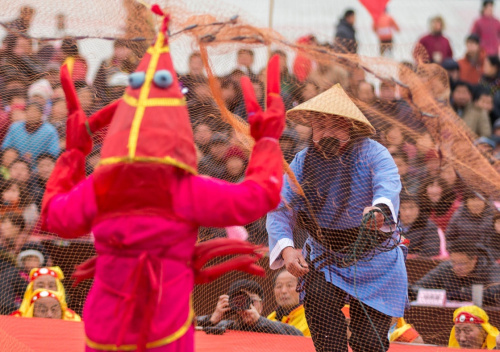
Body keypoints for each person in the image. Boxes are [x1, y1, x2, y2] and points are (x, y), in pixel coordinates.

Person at [41, 8, 286, 351]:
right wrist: (267, 142)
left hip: (106, 330)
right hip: (165, 330)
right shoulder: (186, 188)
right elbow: (257, 198)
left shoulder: (102, 186)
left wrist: (73, 156)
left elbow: (56, 217)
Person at [267, 84, 407, 352]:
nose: (327, 132)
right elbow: (280, 207)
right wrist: (286, 249)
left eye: (336, 125)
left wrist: (379, 210)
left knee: (370, 343)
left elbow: (388, 185)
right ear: (312, 130)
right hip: (324, 255)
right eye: (320, 126)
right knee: (326, 337)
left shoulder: (373, 153)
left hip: (375, 255)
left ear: (351, 127)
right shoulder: (302, 161)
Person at [196, 279, 303, 336]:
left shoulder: (270, 327)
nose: (246, 305)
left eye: (252, 300)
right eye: (239, 300)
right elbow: (187, 330)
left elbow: (298, 336)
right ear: (230, 303)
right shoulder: (224, 327)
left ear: (261, 306)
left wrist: (259, 321)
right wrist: (212, 320)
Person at [410, 241, 500, 305]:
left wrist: (461, 294)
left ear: (474, 260)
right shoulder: (446, 267)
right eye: (453, 262)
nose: (456, 268)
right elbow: (418, 287)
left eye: (462, 264)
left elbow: (495, 291)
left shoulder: (491, 268)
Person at [267, 269, 310, 337]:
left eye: (289, 285)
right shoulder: (270, 318)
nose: (283, 291)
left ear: (302, 288)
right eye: (279, 286)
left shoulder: (310, 318)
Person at [399, 194, 441, 258]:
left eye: (411, 208)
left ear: (418, 209)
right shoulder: (391, 226)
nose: (407, 213)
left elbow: (431, 250)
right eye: (403, 208)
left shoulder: (428, 226)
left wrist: (411, 256)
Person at [11, 288, 80, 321]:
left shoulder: (75, 322)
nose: (49, 315)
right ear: (32, 312)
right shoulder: (16, 322)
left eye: (54, 310)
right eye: (43, 310)